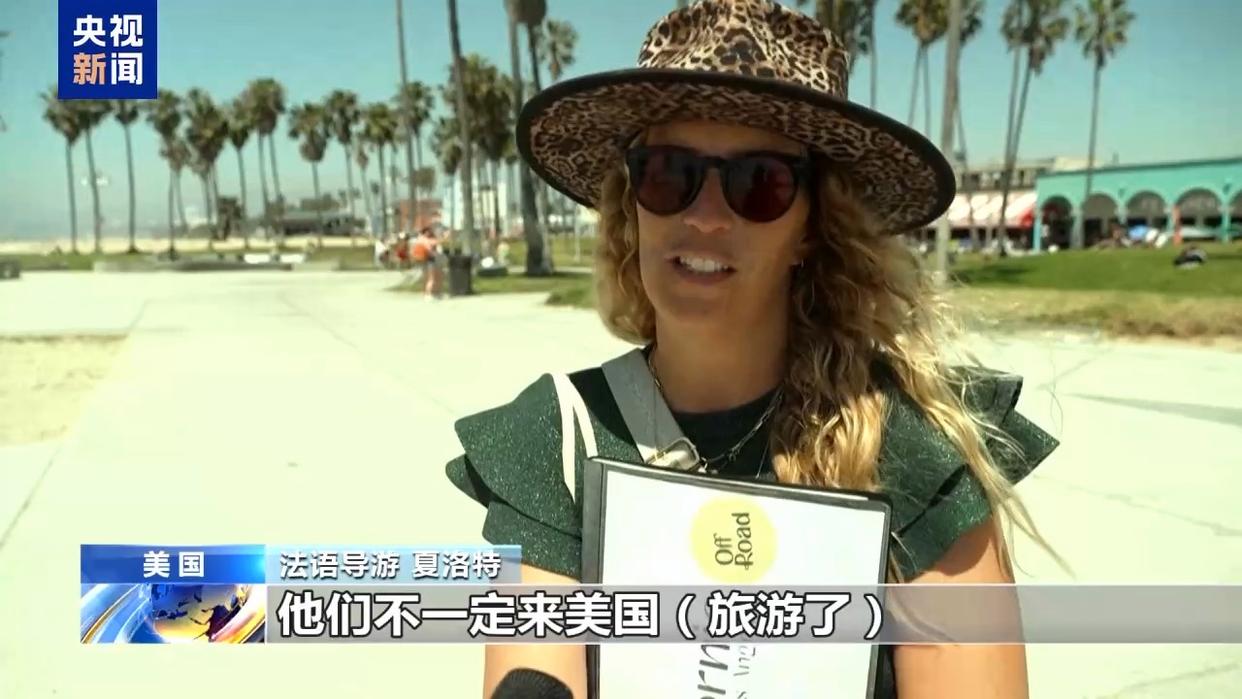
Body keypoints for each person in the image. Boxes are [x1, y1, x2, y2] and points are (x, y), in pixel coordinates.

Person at [445, 1, 1059, 697]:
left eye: (760, 183)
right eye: (668, 173)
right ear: (632, 203)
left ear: (810, 228)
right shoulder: (559, 441)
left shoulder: (912, 448)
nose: (706, 216)